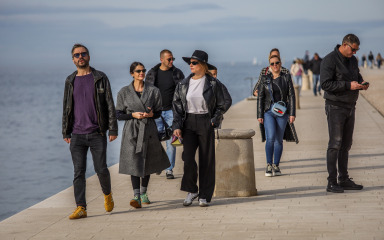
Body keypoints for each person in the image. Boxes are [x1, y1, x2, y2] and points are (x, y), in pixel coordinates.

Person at [62, 44, 118, 219]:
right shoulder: (70, 80)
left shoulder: (100, 77)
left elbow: (109, 104)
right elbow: (66, 107)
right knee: (78, 172)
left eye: (83, 54)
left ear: (88, 56)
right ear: (73, 59)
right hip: (77, 134)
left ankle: (107, 194)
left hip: (97, 132)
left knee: (101, 168)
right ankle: (81, 207)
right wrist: (65, 131)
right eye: (77, 55)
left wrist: (112, 128)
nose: (80, 57)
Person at [173, 50, 226, 207]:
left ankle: (204, 195)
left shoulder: (213, 83)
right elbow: (176, 105)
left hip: (205, 121)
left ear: (203, 65)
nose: (191, 65)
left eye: (194, 62)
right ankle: (192, 190)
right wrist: (177, 126)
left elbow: (223, 103)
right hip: (188, 122)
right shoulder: (183, 84)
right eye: (190, 62)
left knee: (206, 160)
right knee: (187, 158)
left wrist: (213, 120)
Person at [115, 62, 170, 208]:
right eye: (138, 71)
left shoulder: (153, 91)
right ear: (132, 73)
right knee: (134, 161)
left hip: (148, 129)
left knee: (147, 161)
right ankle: (136, 196)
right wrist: (132, 115)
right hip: (132, 130)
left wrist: (152, 114)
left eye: (143, 70)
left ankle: (144, 193)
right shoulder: (124, 92)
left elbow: (159, 111)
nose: (142, 73)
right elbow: (118, 114)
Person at [320, 34, 369, 193]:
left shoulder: (353, 60)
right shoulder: (329, 60)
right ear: (345, 45)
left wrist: (361, 84)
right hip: (335, 106)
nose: (355, 53)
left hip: (350, 106)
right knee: (335, 143)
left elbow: (357, 76)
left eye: (357, 50)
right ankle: (331, 182)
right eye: (353, 49)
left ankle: (344, 178)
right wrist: (348, 85)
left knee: (346, 145)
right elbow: (325, 84)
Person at [145, 49, 185, 179]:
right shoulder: (152, 73)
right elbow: (146, 92)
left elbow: (184, 93)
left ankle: (169, 169)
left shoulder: (177, 73)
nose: (171, 61)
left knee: (171, 142)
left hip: (172, 112)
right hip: (156, 113)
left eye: (173, 59)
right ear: (161, 59)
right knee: (155, 141)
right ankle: (157, 165)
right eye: (169, 59)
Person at [257, 54, 297, 177]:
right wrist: (259, 114)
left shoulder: (286, 77)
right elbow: (260, 97)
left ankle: (276, 165)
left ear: (280, 64)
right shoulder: (265, 79)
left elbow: (291, 95)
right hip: (268, 111)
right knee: (270, 138)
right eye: (272, 63)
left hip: (282, 112)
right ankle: (268, 165)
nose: (275, 65)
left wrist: (292, 113)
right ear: (269, 66)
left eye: (277, 63)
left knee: (279, 140)